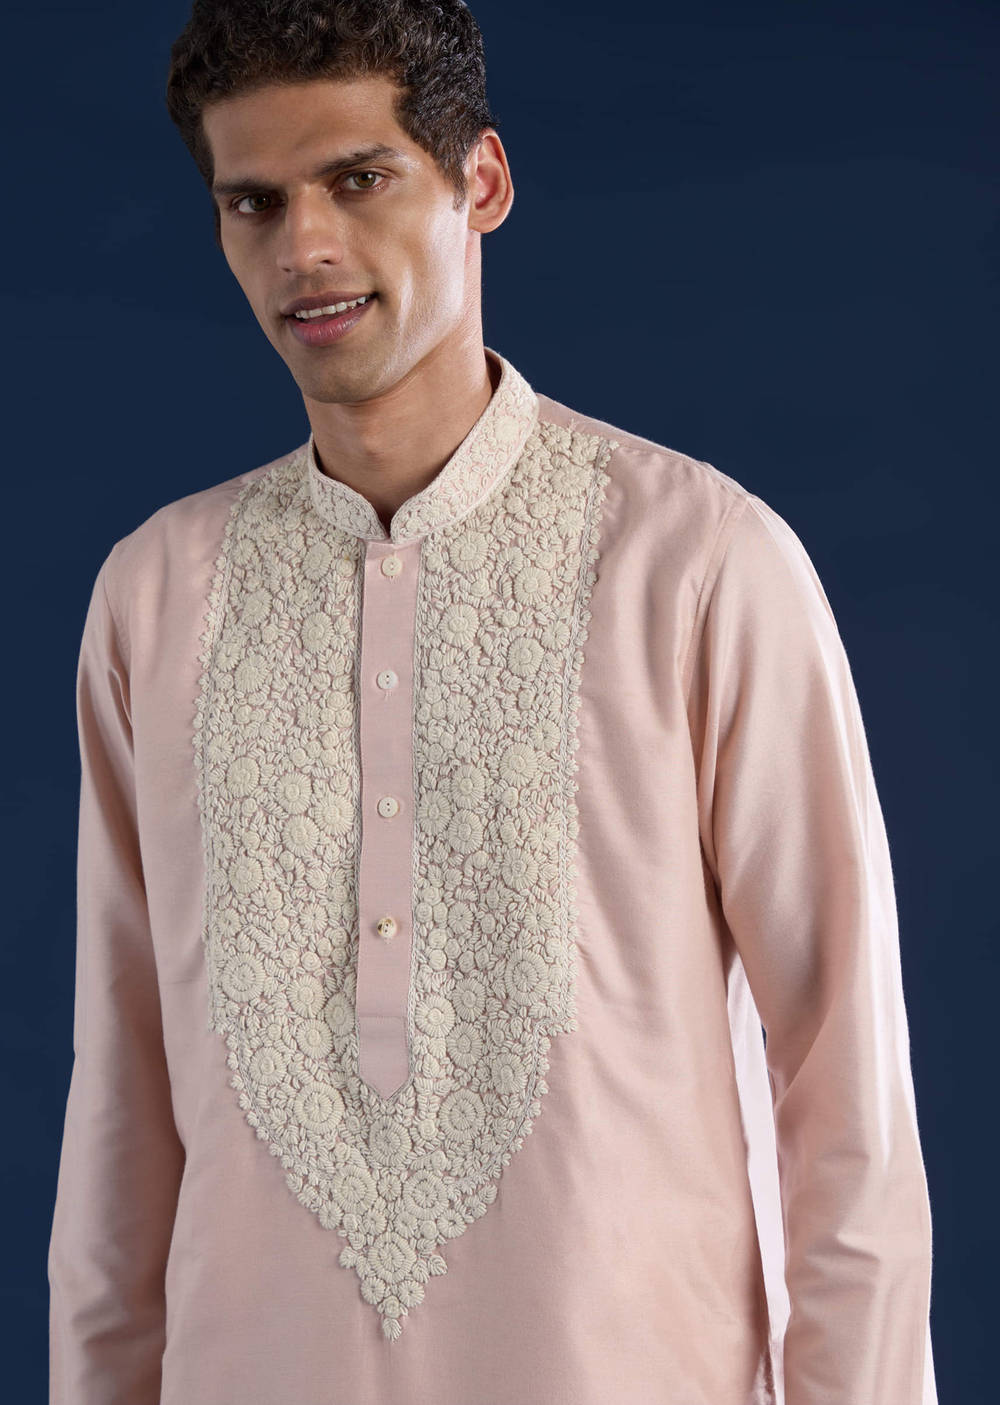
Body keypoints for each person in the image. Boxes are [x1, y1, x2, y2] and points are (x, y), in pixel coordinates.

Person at [47, 2, 938, 1402]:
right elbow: (121, 1109)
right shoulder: (154, 600)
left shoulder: (699, 565)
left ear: (483, 181)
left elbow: (848, 1100)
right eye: (253, 202)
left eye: (358, 179)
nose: (304, 247)